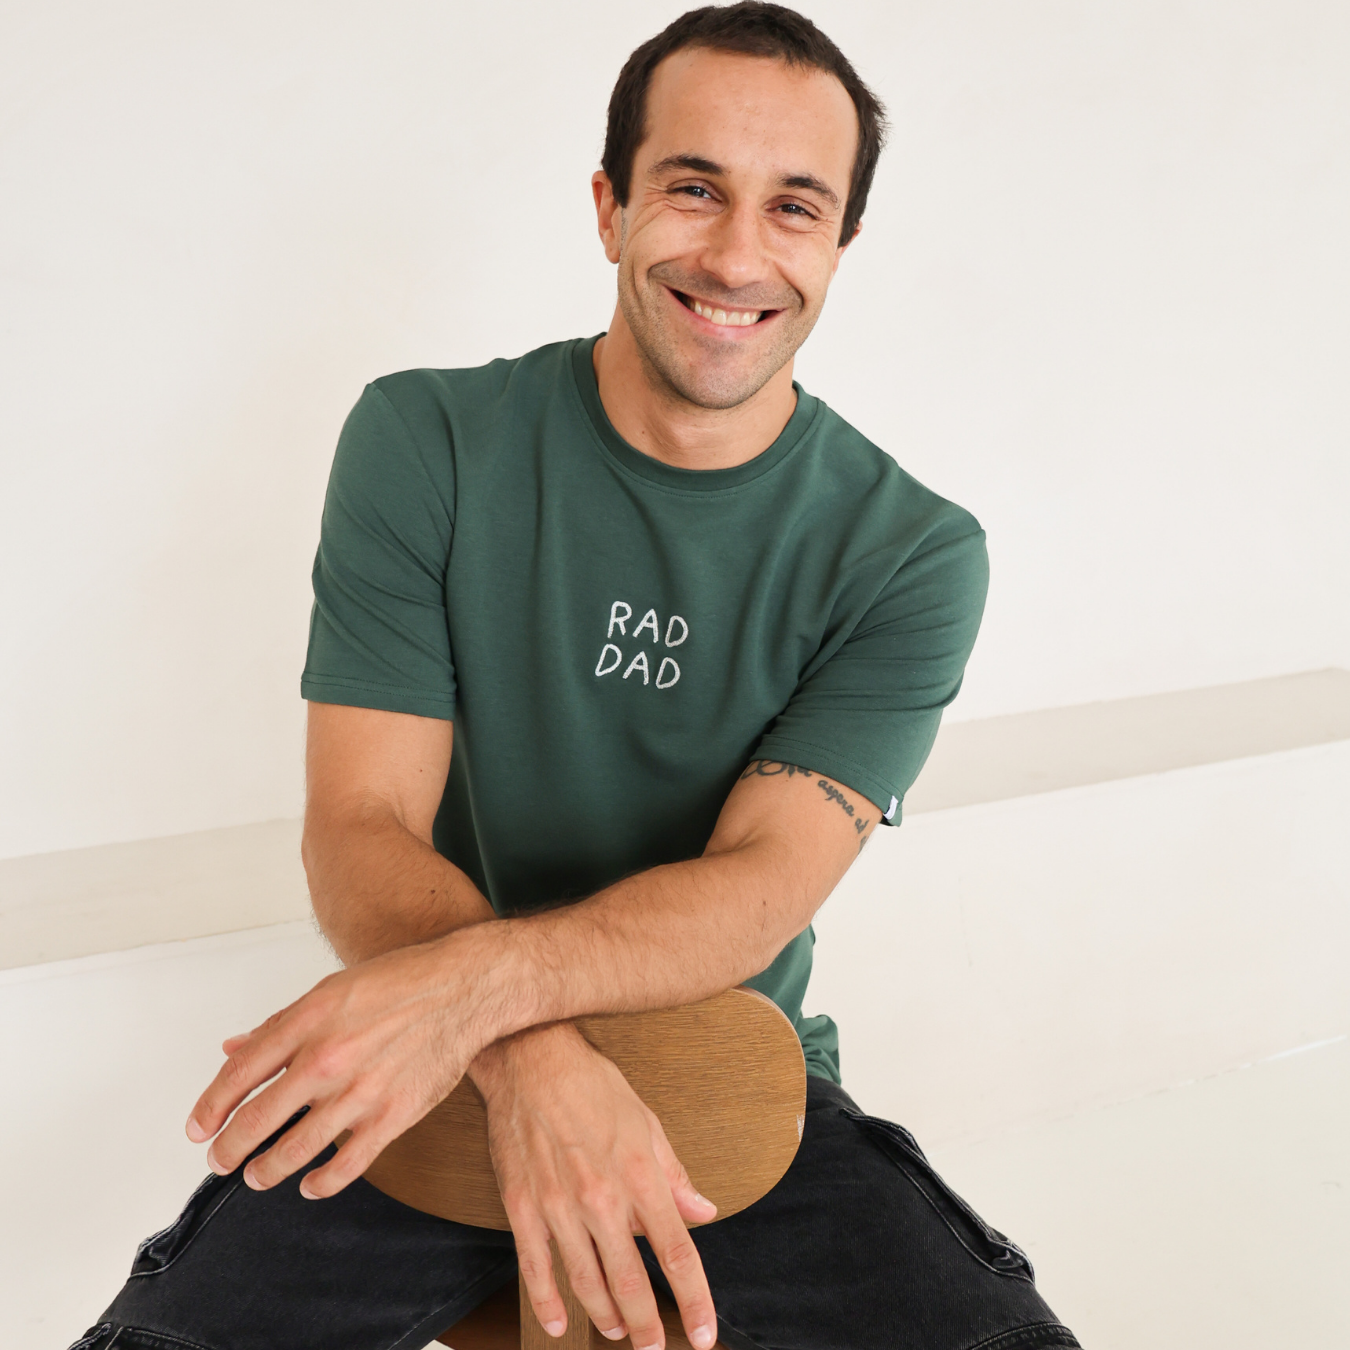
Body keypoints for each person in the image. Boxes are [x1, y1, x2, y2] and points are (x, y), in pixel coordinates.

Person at [74, 5, 1080, 1349]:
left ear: (839, 245)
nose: (737, 254)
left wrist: (483, 996)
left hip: (729, 1083)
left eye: (793, 207)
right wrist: (530, 1058)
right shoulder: (425, 440)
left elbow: (755, 891)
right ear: (609, 207)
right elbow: (359, 827)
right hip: (419, 1074)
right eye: (692, 187)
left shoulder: (909, 553)